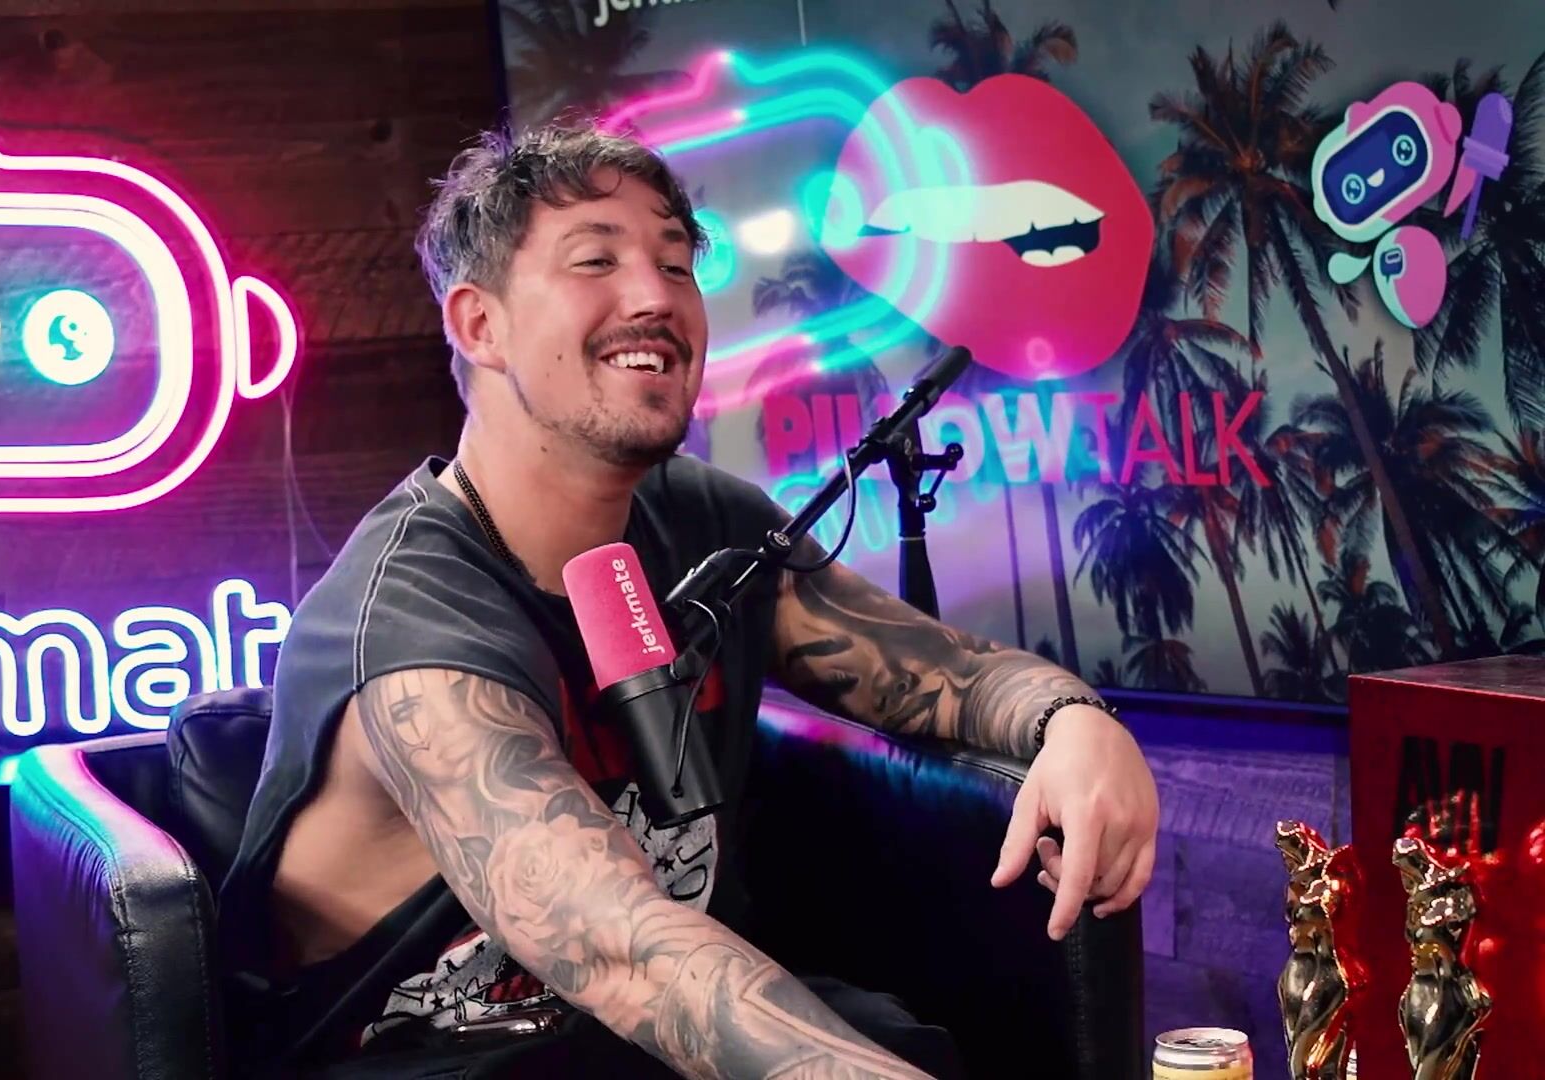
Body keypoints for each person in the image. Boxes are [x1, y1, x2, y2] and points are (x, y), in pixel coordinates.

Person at [215, 119, 1159, 1079]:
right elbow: (623, 950)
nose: (655, 297)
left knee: (910, 1041)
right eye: (596, 261)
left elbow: (938, 673)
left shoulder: (700, 518)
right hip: (440, 1061)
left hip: (633, 1046)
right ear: (480, 325)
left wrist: (1076, 723)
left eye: (675, 266)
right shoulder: (414, 619)